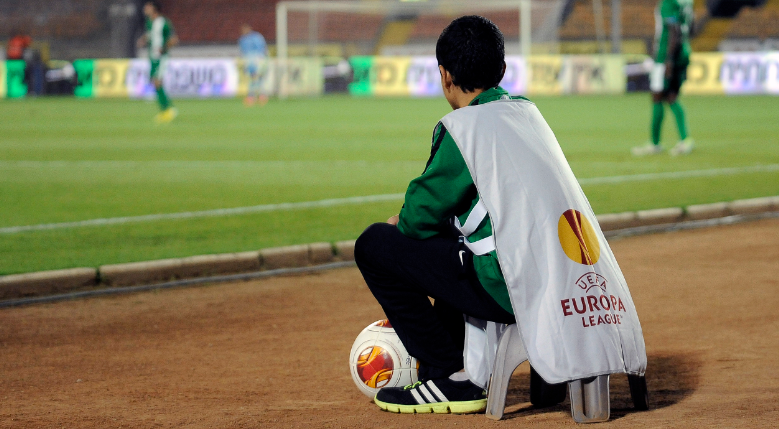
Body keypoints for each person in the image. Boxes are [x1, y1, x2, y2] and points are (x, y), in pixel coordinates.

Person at [354, 15, 646, 415]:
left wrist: (400, 225)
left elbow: (419, 216)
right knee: (458, 242)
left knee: (374, 245)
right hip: (575, 281)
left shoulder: (464, 126)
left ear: (444, 75)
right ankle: (461, 364)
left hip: (514, 287)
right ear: (503, 71)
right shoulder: (528, 113)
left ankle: (449, 373)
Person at [633, 0, 694, 156]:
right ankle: (682, 140)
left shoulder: (668, 2)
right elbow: (690, 25)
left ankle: (657, 143)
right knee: (671, 96)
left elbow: (673, 29)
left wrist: (668, 59)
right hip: (683, 52)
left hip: (667, 57)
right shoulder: (686, 2)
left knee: (659, 96)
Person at [137, 1, 178, 123]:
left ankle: (167, 110)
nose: (145, 8)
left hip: (161, 57)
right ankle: (168, 108)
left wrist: (164, 49)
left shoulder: (163, 22)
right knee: (155, 82)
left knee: (157, 81)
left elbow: (174, 39)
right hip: (153, 57)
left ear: (154, 8)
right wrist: (143, 39)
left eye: (148, 6)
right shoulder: (149, 22)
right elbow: (150, 35)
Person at [238, 24, 269, 106]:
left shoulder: (256, 37)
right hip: (249, 61)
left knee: (259, 77)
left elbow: (262, 49)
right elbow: (243, 51)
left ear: (249, 29)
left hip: (258, 60)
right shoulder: (242, 39)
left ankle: (261, 95)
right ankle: (252, 96)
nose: (243, 31)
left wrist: (260, 59)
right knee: (252, 78)